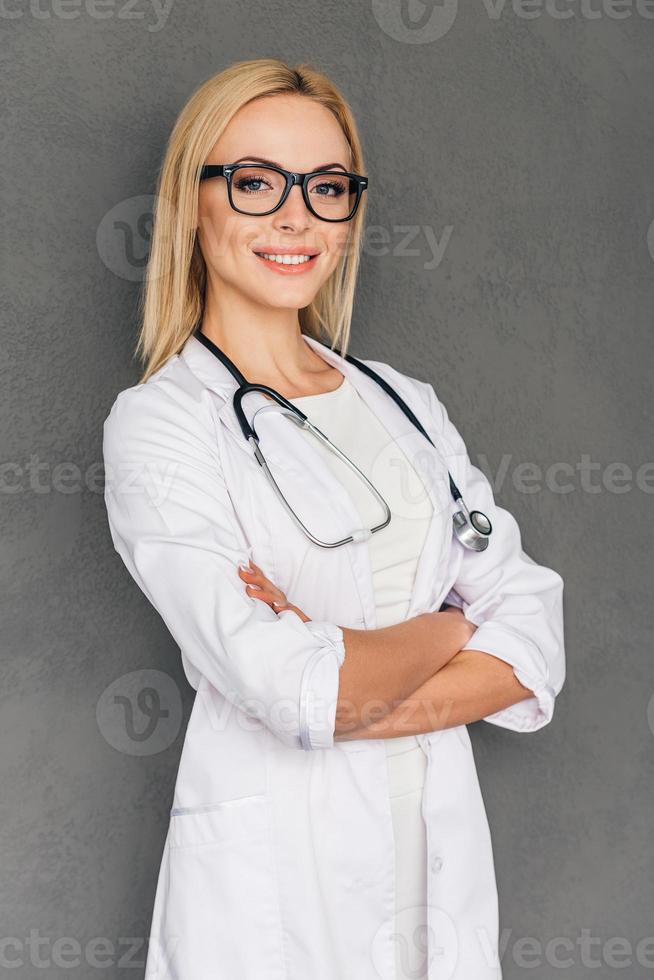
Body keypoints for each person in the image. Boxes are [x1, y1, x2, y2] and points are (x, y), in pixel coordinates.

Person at [102, 58, 566, 980]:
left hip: (434, 866)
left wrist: (353, 661)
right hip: (276, 895)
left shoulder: (404, 402)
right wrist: (452, 626)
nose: (295, 217)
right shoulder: (162, 422)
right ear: (194, 202)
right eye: (256, 181)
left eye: (327, 188)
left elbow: (536, 635)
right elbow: (295, 690)